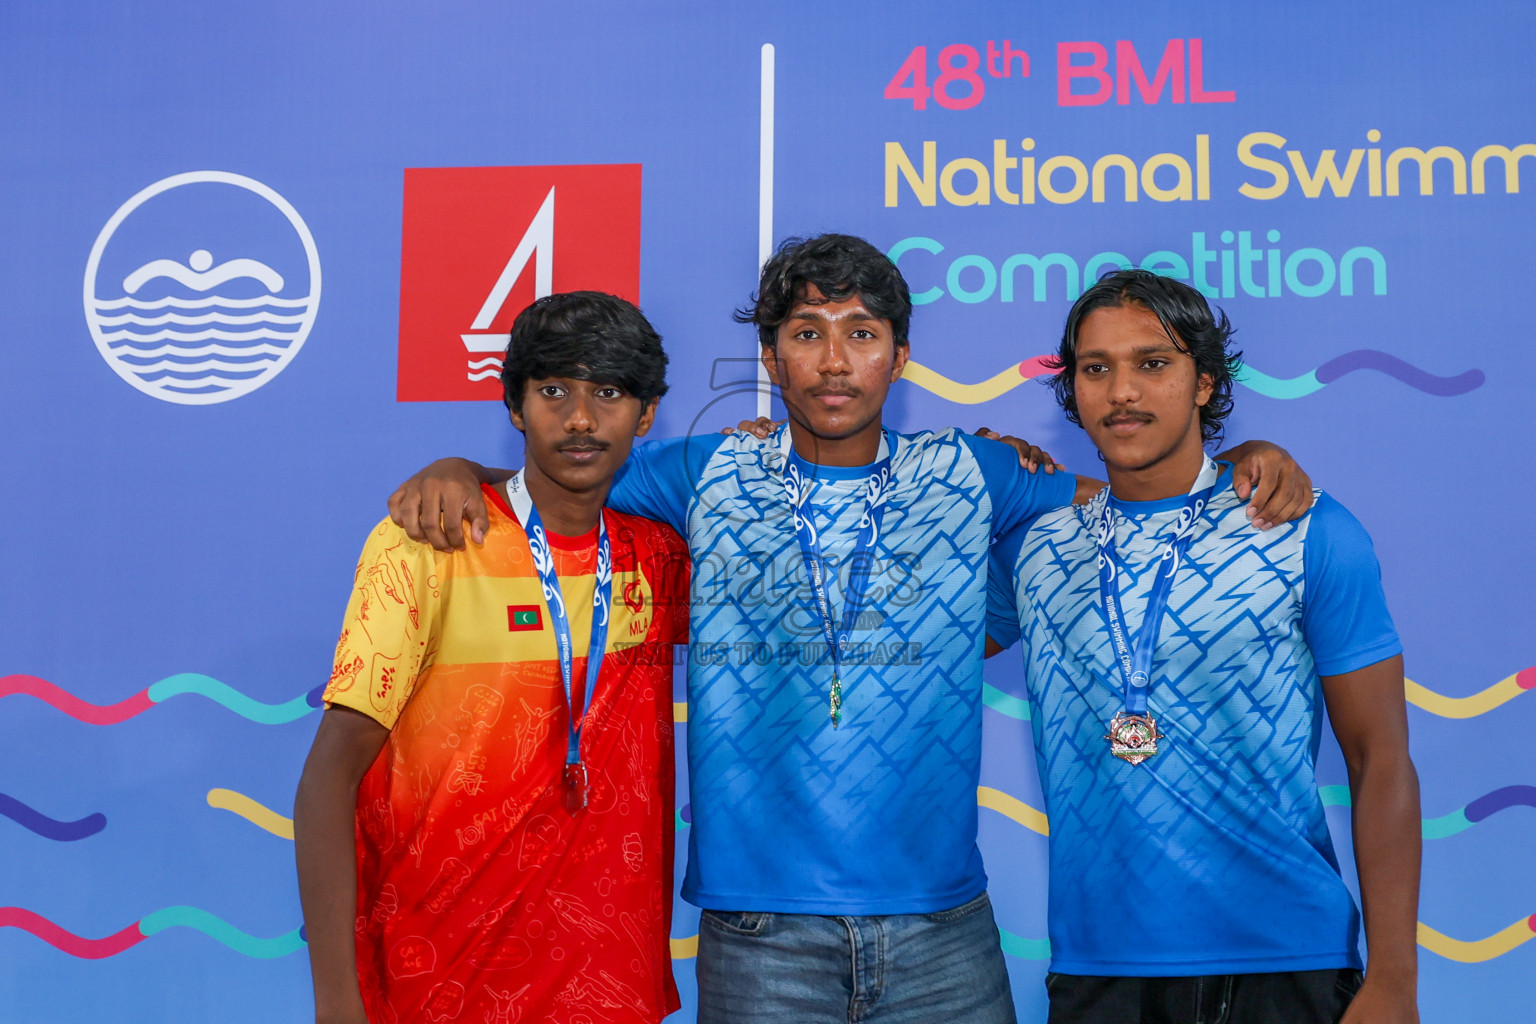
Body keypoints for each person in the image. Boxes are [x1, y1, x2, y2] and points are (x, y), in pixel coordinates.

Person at [388, 235, 1313, 1023]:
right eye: (807, 335)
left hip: (944, 931)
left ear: (899, 356)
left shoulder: (974, 472)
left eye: (861, 335)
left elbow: (1140, 490)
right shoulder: (701, 473)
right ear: (773, 357)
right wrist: (459, 467)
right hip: (758, 938)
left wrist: (1244, 458)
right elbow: (559, 478)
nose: (835, 363)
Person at [985, 269, 1420, 1024]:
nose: (1123, 391)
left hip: (1289, 965)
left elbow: (1379, 757)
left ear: (1204, 384)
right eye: (1097, 369)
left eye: (1153, 363)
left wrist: (1394, 982)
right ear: (1074, 390)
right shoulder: (1035, 546)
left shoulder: (1306, 528)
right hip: (1099, 972)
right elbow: (916, 647)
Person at [293, 292, 689, 1024]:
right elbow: (329, 775)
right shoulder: (433, 543)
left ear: (647, 414)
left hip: (610, 990)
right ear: (514, 407)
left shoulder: (661, 558)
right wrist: (335, 1001)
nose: (578, 417)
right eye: (552, 391)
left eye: (607, 392)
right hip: (437, 985)